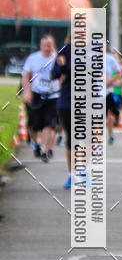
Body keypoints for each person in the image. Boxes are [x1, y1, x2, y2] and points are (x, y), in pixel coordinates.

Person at [22, 34, 60, 163]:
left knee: (49, 124)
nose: (47, 48)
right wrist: (27, 92)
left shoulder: (58, 59)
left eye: (49, 45)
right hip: (36, 95)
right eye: (44, 45)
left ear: (53, 45)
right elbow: (26, 76)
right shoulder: (33, 58)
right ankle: (36, 143)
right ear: (40, 46)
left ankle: (45, 150)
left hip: (53, 96)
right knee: (34, 126)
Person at [51, 35, 72, 188]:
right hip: (67, 101)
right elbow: (54, 74)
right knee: (71, 139)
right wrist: (61, 65)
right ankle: (72, 175)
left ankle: (84, 171)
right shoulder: (65, 50)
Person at [105, 45, 122, 143]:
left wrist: (110, 82)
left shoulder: (110, 60)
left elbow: (119, 74)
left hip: (110, 92)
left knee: (111, 116)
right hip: (96, 93)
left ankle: (111, 134)